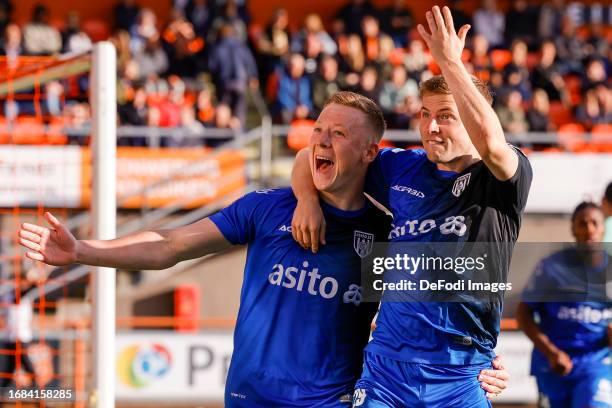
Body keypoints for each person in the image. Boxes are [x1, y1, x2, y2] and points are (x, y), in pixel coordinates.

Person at [19, 92, 507, 406]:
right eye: (318, 130)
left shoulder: (388, 233)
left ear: (368, 154)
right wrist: (83, 250)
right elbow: (169, 244)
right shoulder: (266, 209)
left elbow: (442, 303)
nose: (322, 140)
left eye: (339, 134)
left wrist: (482, 363)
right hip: (247, 399)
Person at [291, 7, 529, 406]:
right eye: (425, 114)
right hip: (387, 372)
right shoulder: (400, 168)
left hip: (463, 374)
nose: (431, 126)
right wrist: (307, 199)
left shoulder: (503, 178)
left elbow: (490, 142)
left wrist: (451, 61)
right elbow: (309, 157)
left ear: (472, 120)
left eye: (446, 116)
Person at [516, 202, 611, 408]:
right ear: (573, 228)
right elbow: (523, 314)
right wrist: (551, 352)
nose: (589, 229)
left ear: (604, 227)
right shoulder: (552, 267)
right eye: (582, 223)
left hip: (595, 362)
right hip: (553, 363)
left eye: (595, 223)